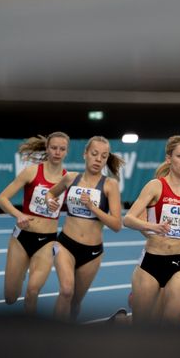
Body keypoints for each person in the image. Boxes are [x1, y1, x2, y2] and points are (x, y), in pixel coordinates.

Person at [123, 136, 180, 325]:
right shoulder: (156, 186)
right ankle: (122, 322)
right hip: (151, 262)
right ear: (169, 159)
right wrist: (152, 227)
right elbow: (127, 219)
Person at [46, 136, 124, 321]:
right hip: (65, 244)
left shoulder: (110, 185)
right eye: (94, 154)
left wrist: (93, 207)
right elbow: (51, 192)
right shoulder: (71, 177)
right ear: (85, 154)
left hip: (92, 253)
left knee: (74, 302)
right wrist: (51, 202)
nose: (98, 159)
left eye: (103, 156)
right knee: (66, 291)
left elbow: (116, 225)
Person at [0, 132, 69, 314]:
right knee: (11, 297)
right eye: (54, 148)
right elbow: (2, 199)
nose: (57, 152)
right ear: (47, 149)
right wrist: (18, 214)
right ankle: (19, 272)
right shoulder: (31, 172)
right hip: (22, 238)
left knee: (32, 292)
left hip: (47, 241)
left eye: (62, 149)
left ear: (66, 152)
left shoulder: (68, 179)